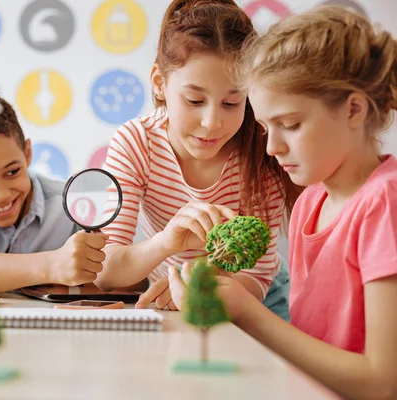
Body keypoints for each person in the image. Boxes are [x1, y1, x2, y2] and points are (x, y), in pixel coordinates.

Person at [170, 6, 397, 399]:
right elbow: (310, 348)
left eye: (290, 125)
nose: (272, 148)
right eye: (264, 128)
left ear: (354, 109)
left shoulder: (384, 204)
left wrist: (245, 310)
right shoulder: (310, 202)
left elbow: (382, 382)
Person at [94, 0, 301, 320]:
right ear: (160, 83)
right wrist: (166, 242)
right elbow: (106, 272)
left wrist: (200, 291)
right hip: (173, 299)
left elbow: (258, 276)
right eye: (194, 100)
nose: (211, 122)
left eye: (232, 103)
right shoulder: (137, 142)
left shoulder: (262, 148)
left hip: (255, 300)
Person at [0, 93, 107, 293]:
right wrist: (52, 265)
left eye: (12, 172)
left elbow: (119, 278)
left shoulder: (72, 202)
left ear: (28, 154)